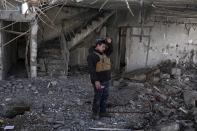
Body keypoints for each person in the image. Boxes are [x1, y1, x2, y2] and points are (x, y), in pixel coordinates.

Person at [87, 37, 113, 120]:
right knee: (98, 97)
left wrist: (109, 43)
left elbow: (110, 50)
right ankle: (95, 114)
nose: (104, 48)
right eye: (103, 47)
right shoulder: (91, 56)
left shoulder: (104, 53)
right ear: (97, 45)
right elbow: (92, 71)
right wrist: (96, 81)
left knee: (105, 96)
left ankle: (103, 112)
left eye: (105, 47)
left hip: (106, 80)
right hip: (99, 81)